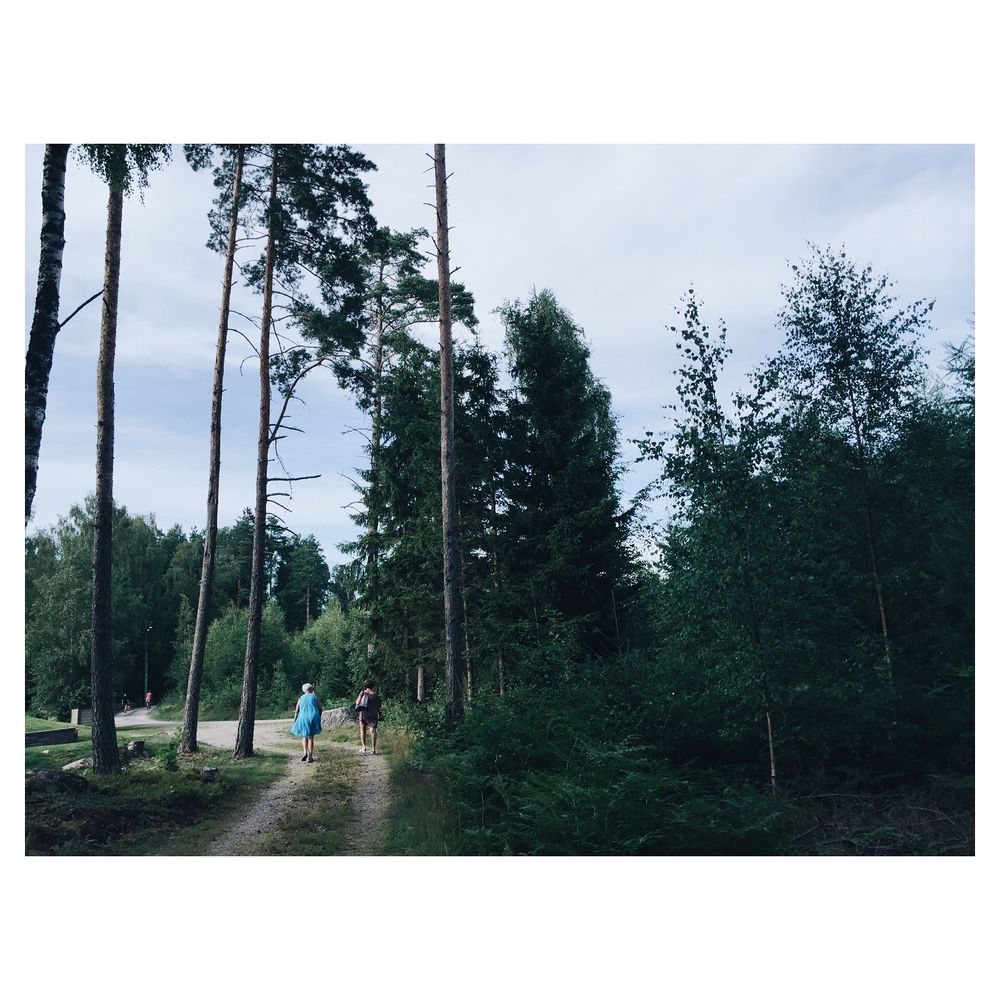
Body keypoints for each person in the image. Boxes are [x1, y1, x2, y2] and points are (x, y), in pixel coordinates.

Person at [290, 683, 323, 763]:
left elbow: (297, 710)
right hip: (313, 717)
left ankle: (305, 753)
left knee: (304, 735)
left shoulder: (301, 698)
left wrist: (295, 720)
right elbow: (320, 708)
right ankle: (310, 756)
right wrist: (319, 716)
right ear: (311, 689)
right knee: (311, 737)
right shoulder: (315, 697)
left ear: (304, 690)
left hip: (303, 717)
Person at [355, 679, 381, 755]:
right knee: (373, 731)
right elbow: (378, 706)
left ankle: (364, 748)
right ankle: (373, 749)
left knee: (363, 731)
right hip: (373, 713)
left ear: (365, 685)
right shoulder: (375, 694)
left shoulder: (362, 693)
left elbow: (357, 702)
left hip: (364, 713)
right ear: (372, 685)